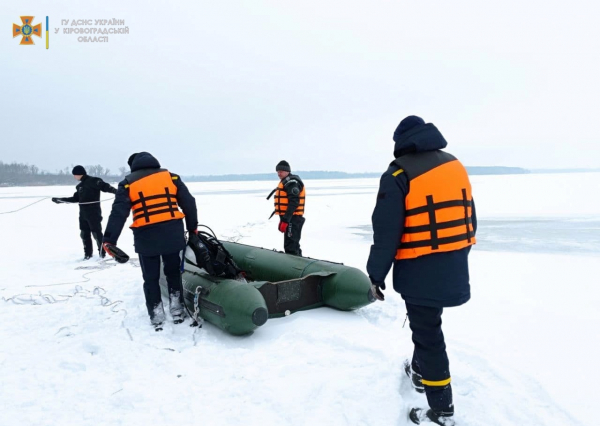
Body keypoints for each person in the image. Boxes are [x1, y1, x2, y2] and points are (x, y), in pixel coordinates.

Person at [366, 116, 477, 426]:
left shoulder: (399, 173)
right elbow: (469, 214)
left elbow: (386, 233)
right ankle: (419, 373)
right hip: (454, 261)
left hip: (419, 267)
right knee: (426, 323)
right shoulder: (454, 165)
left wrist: (375, 276)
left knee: (428, 335)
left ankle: (441, 411)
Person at [102, 152, 198, 330]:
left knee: (151, 278)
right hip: (172, 233)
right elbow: (189, 203)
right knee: (173, 273)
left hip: (146, 237)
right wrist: (192, 228)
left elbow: (118, 213)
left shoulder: (128, 183)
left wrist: (109, 240)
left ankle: (156, 314)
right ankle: (177, 310)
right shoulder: (171, 177)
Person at [52, 165, 118, 260]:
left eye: (74, 175)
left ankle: (102, 253)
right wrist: (60, 200)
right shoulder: (80, 186)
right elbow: (76, 199)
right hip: (83, 214)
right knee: (84, 234)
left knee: (96, 233)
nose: (74, 177)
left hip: (93, 213)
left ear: (78, 174)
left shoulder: (93, 180)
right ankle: (88, 254)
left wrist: (116, 192)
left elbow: (104, 186)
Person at [267, 160, 306, 256]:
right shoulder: (286, 182)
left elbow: (294, 202)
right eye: (277, 171)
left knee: (291, 246)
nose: (279, 174)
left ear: (287, 171)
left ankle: (296, 266)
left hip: (293, 218)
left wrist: (285, 220)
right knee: (292, 245)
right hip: (289, 218)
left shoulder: (292, 183)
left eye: (281, 171)